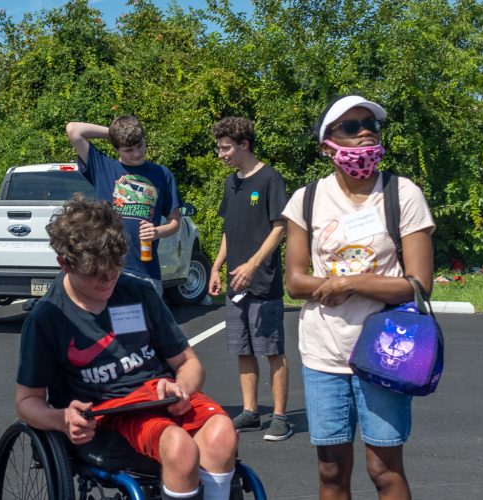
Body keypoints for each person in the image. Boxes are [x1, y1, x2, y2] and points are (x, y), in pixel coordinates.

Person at [16, 196, 238, 500]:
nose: (108, 279)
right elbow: (27, 401)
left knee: (223, 433)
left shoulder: (138, 292)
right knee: (180, 448)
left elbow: (189, 363)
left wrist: (182, 388)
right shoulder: (48, 318)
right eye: (96, 274)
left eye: (115, 268)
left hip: (160, 397)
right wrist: (61, 419)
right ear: (64, 264)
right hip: (111, 415)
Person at [282, 95, 434, 499]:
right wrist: (337, 283)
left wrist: (348, 283)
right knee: (331, 469)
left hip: (387, 352)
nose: (365, 131)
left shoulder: (402, 193)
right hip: (324, 354)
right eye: (351, 127)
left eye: (371, 124)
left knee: (384, 469)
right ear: (326, 144)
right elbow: (295, 281)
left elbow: (419, 284)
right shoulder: (306, 199)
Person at [208, 117, 292, 441]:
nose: (221, 154)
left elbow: (280, 228)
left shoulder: (271, 179)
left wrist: (253, 265)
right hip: (235, 283)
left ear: (244, 144)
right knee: (242, 348)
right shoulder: (231, 183)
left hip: (262, 281)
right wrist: (217, 267)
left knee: (272, 350)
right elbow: (228, 230)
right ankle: (250, 412)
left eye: (225, 148)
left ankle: (281, 417)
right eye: (219, 148)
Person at [66, 116, 182, 296]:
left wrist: (157, 232)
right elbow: (73, 129)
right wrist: (115, 133)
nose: (137, 153)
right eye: (129, 149)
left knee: (149, 315)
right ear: (116, 148)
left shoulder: (162, 174)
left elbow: (175, 222)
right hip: (108, 270)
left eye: (140, 145)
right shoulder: (103, 167)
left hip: (146, 271)